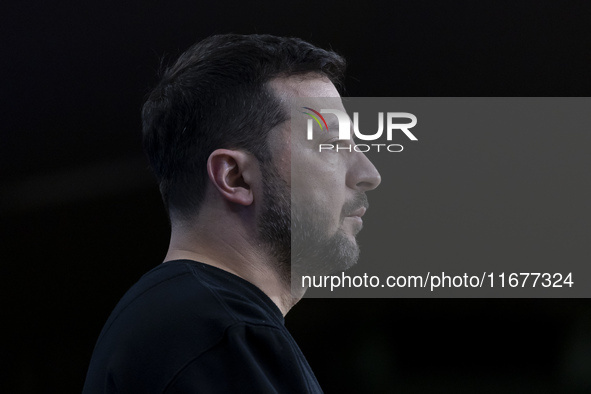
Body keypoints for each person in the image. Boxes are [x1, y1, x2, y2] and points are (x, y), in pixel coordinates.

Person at [83, 33, 381, 394]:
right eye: (332, 145)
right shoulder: (221, 334)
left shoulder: (180, 323)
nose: (369, 174)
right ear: (235, 177)